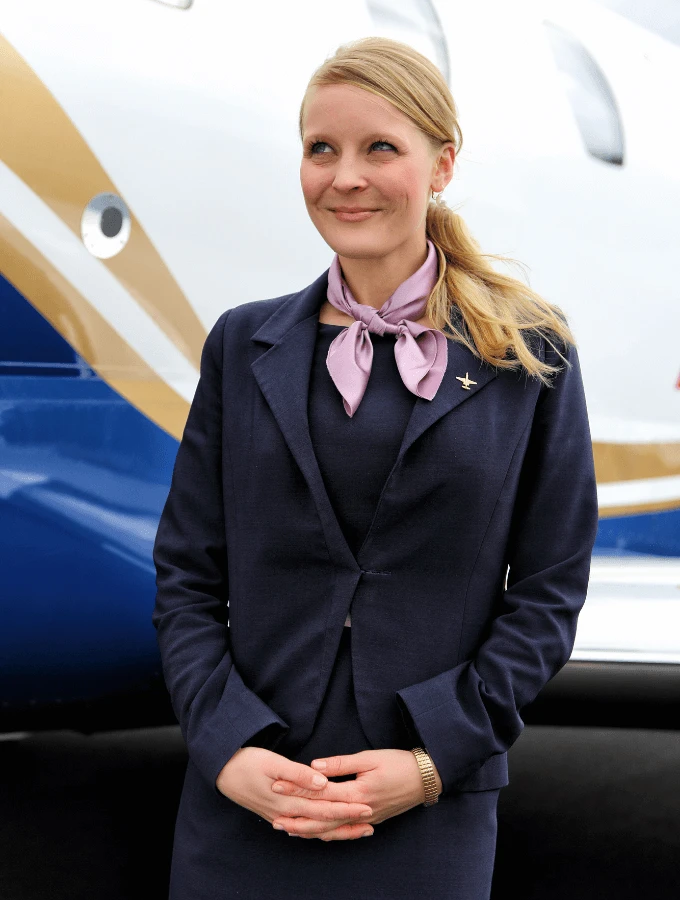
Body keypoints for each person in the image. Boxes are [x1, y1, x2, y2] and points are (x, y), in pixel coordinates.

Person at [152, 35, 600, 900]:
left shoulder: (530, 355)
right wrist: (226, 745)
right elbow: (186, 573)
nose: (344, 177)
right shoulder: (244, 344)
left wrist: (433, 761)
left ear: (442, 164)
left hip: (426, 813)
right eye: (321, 149)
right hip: (246, 801)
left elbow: (548, 592)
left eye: (379, 148)